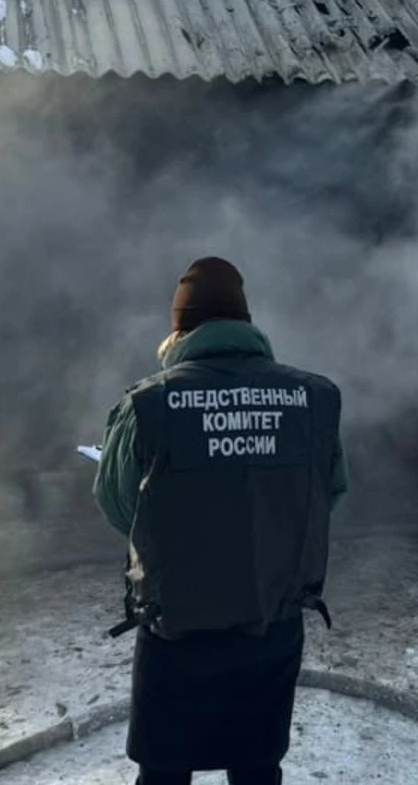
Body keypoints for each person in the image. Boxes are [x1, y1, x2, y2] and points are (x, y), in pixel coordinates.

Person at [94, 257, 347, 785]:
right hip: (272, 619)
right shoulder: (313, 399)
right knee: (257, 766)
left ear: (180, 328)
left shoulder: (149, 404)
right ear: (246, 323)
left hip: (177, 629)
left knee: (164, 770)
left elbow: (118, 503)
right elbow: (329, 491)